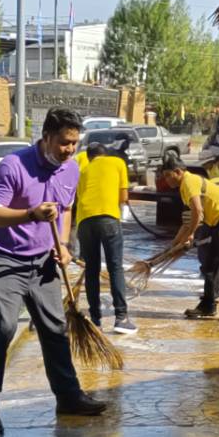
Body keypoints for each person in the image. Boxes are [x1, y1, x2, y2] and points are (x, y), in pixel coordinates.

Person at [0, 108, 106, 436]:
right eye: (64, 142)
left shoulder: (71, 169)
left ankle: (69, 397)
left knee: (55, 328)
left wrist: (63, 243)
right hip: (3, 259)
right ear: (46, 137)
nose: (69, 149)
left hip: (43, 261)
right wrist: (30, 214)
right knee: (1, 329)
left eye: (74, 143)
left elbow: (66, 208)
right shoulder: (13, 166)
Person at [157, 153, 219, 322]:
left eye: (168, 175)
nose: (166, 180)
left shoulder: (189, 181)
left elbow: (198, 212)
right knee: (209, 264)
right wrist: (174, 244)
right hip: (213, 222)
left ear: (178, 172)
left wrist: (191, 235)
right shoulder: (184, 188)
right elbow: (188, 222)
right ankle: (208, 305)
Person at [74, 141, 133, 334]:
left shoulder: (82, 170)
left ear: (89, 157)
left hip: (84, 221)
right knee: (115, 267)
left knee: (92, 270)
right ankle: (121, 318)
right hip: (108, 219)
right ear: (104, 154)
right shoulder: (117, 162)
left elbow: (79, 197)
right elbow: (123, 197)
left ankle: (95, 320)